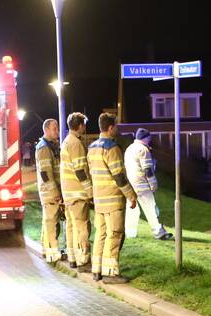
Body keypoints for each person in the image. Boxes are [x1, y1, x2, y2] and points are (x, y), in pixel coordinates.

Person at [87, 113, 137, 283]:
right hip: (113, 200)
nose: (117, 129)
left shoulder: (92, 147)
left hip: (99, 200)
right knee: (114, 234)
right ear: (110, 128)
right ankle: (110, 273)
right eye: (116, 126)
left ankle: (97, 270)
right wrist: (131, 196)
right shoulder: (112, 148)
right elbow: (119, 177)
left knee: (101, 234)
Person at [124, 128, 173, 240]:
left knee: (132, 210)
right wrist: (153, 185)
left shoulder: (129, 149)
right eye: (149, 138)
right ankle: (158, 231)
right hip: (142, 186)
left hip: (130, 185)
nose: (150, 140)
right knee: (151, 209)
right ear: (145, 138)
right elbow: (148, 171)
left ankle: (130, 233)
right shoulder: (143, 150)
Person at [60, 112, 93, 271]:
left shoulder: (66, 141)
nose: (85, 127)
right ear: (80, 126)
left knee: (71, 227)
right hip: (78, 194)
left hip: (68, 194)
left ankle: (73, 258)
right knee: (82, 228)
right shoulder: (76, 144)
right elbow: (80, 170)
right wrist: (90, 191)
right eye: (84, 124)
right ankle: (83, 261)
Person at [35, 119, 63, 263]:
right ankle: (52, 253)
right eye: (54, 128)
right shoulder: (44, 148)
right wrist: (55, 192)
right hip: (49, 192)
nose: (57, 131)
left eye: (57, 128)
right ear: (46, 130)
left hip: (51, 190)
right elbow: (46, 173)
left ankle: (46, 250)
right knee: (51, 222)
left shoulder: (51, 145)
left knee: (48, 221)